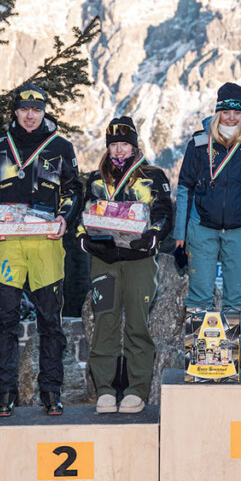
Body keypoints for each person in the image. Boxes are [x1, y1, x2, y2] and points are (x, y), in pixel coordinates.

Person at [0, 83, 82, 417]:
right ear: (15, 112)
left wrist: (65, 217)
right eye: (23, 109)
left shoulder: (61, 146)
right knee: (5, 320)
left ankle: (51, 391)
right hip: (8, 244)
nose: (30, 116)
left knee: (51, 321)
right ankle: (5, 392)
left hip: (47, 243)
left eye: (36, 109)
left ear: (44, 111)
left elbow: (74, 188)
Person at [75, 117, 173, 415]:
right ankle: (105, 389)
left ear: (134, 145)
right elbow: (83, 214)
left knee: (137, 323)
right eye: (114, 145)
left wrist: (155, 234)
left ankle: (136, 388)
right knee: (105, 321)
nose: (119, 150)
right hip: (104, 260)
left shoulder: (153, 176)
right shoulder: (95, 179)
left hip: (139, 260)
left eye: (124, 144)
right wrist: (83, 239)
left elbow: (165, 211)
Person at [174, 82, 241, 317]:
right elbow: (185, 187)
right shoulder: (199, 142)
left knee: (237, 297)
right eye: (226, 112)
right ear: (217, 112)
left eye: (237, 112)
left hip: (240, 227)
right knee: (200, 295)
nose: (231, 118)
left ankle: (231, 350)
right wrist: (180, 236)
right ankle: (200, 348)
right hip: (202, 226)